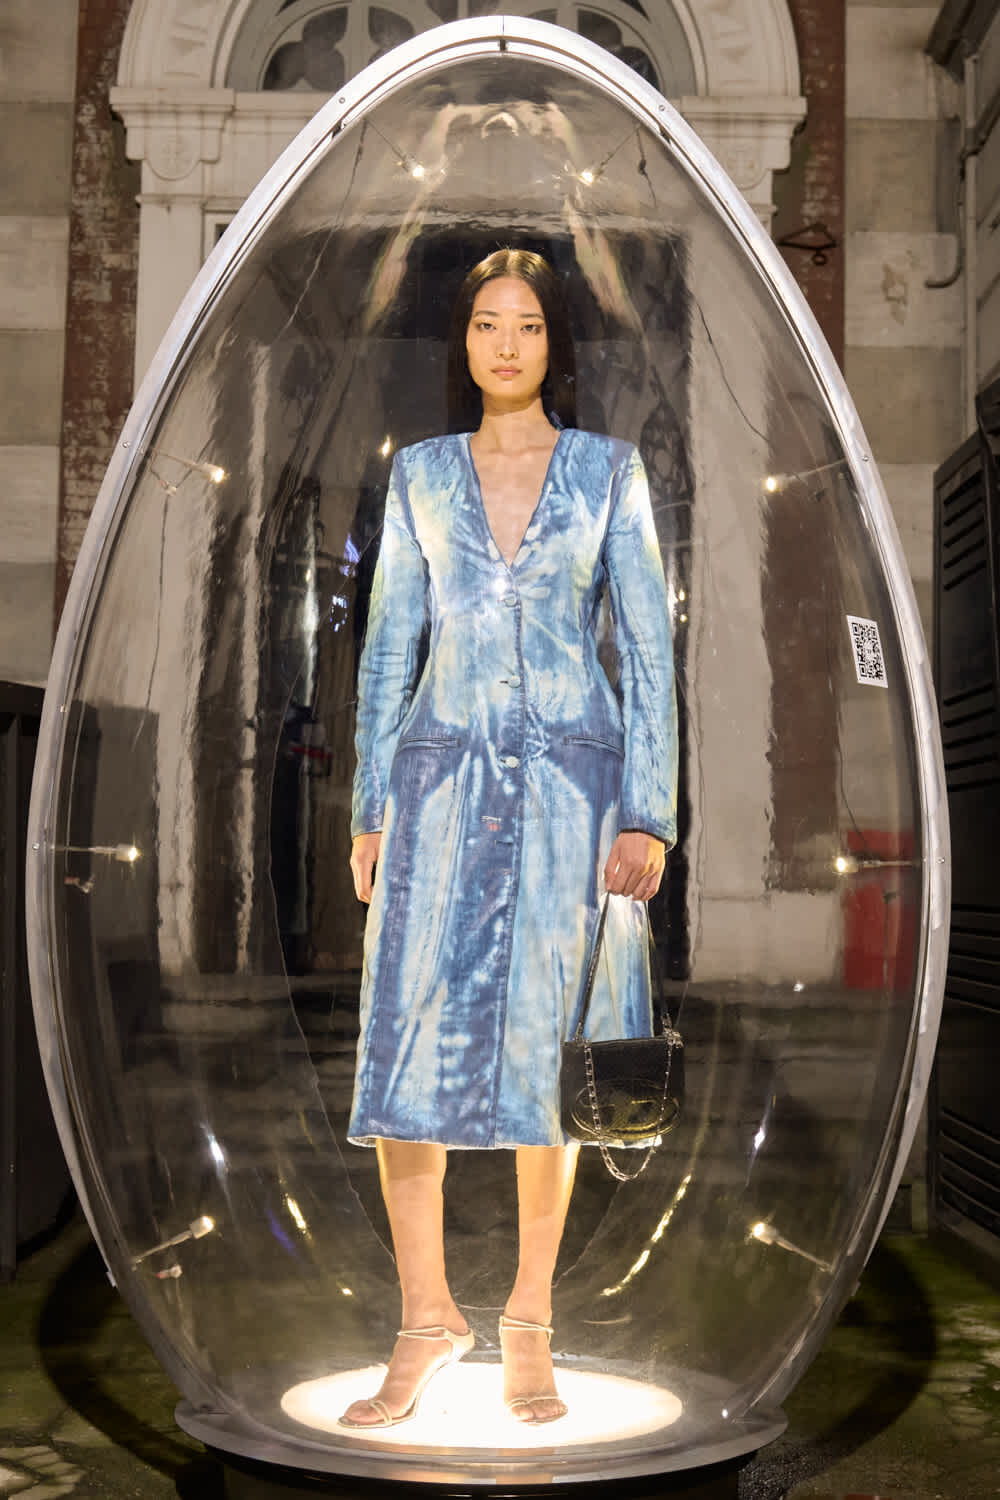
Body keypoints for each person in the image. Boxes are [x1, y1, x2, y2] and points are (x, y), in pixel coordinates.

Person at [341, 248, 677, 1430]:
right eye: (485, 323)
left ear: (554, 346)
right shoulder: (420, 476)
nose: (503, 343)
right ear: (463, 343)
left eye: (526, 325)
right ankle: (424, 1314)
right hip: (435, 783)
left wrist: (648, 809)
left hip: (574, 794)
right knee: (403, 1042)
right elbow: (388, 647)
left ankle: (531, 1315)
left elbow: (644, 651)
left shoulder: (606, 474)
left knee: (551, 1048)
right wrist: (369, 808)